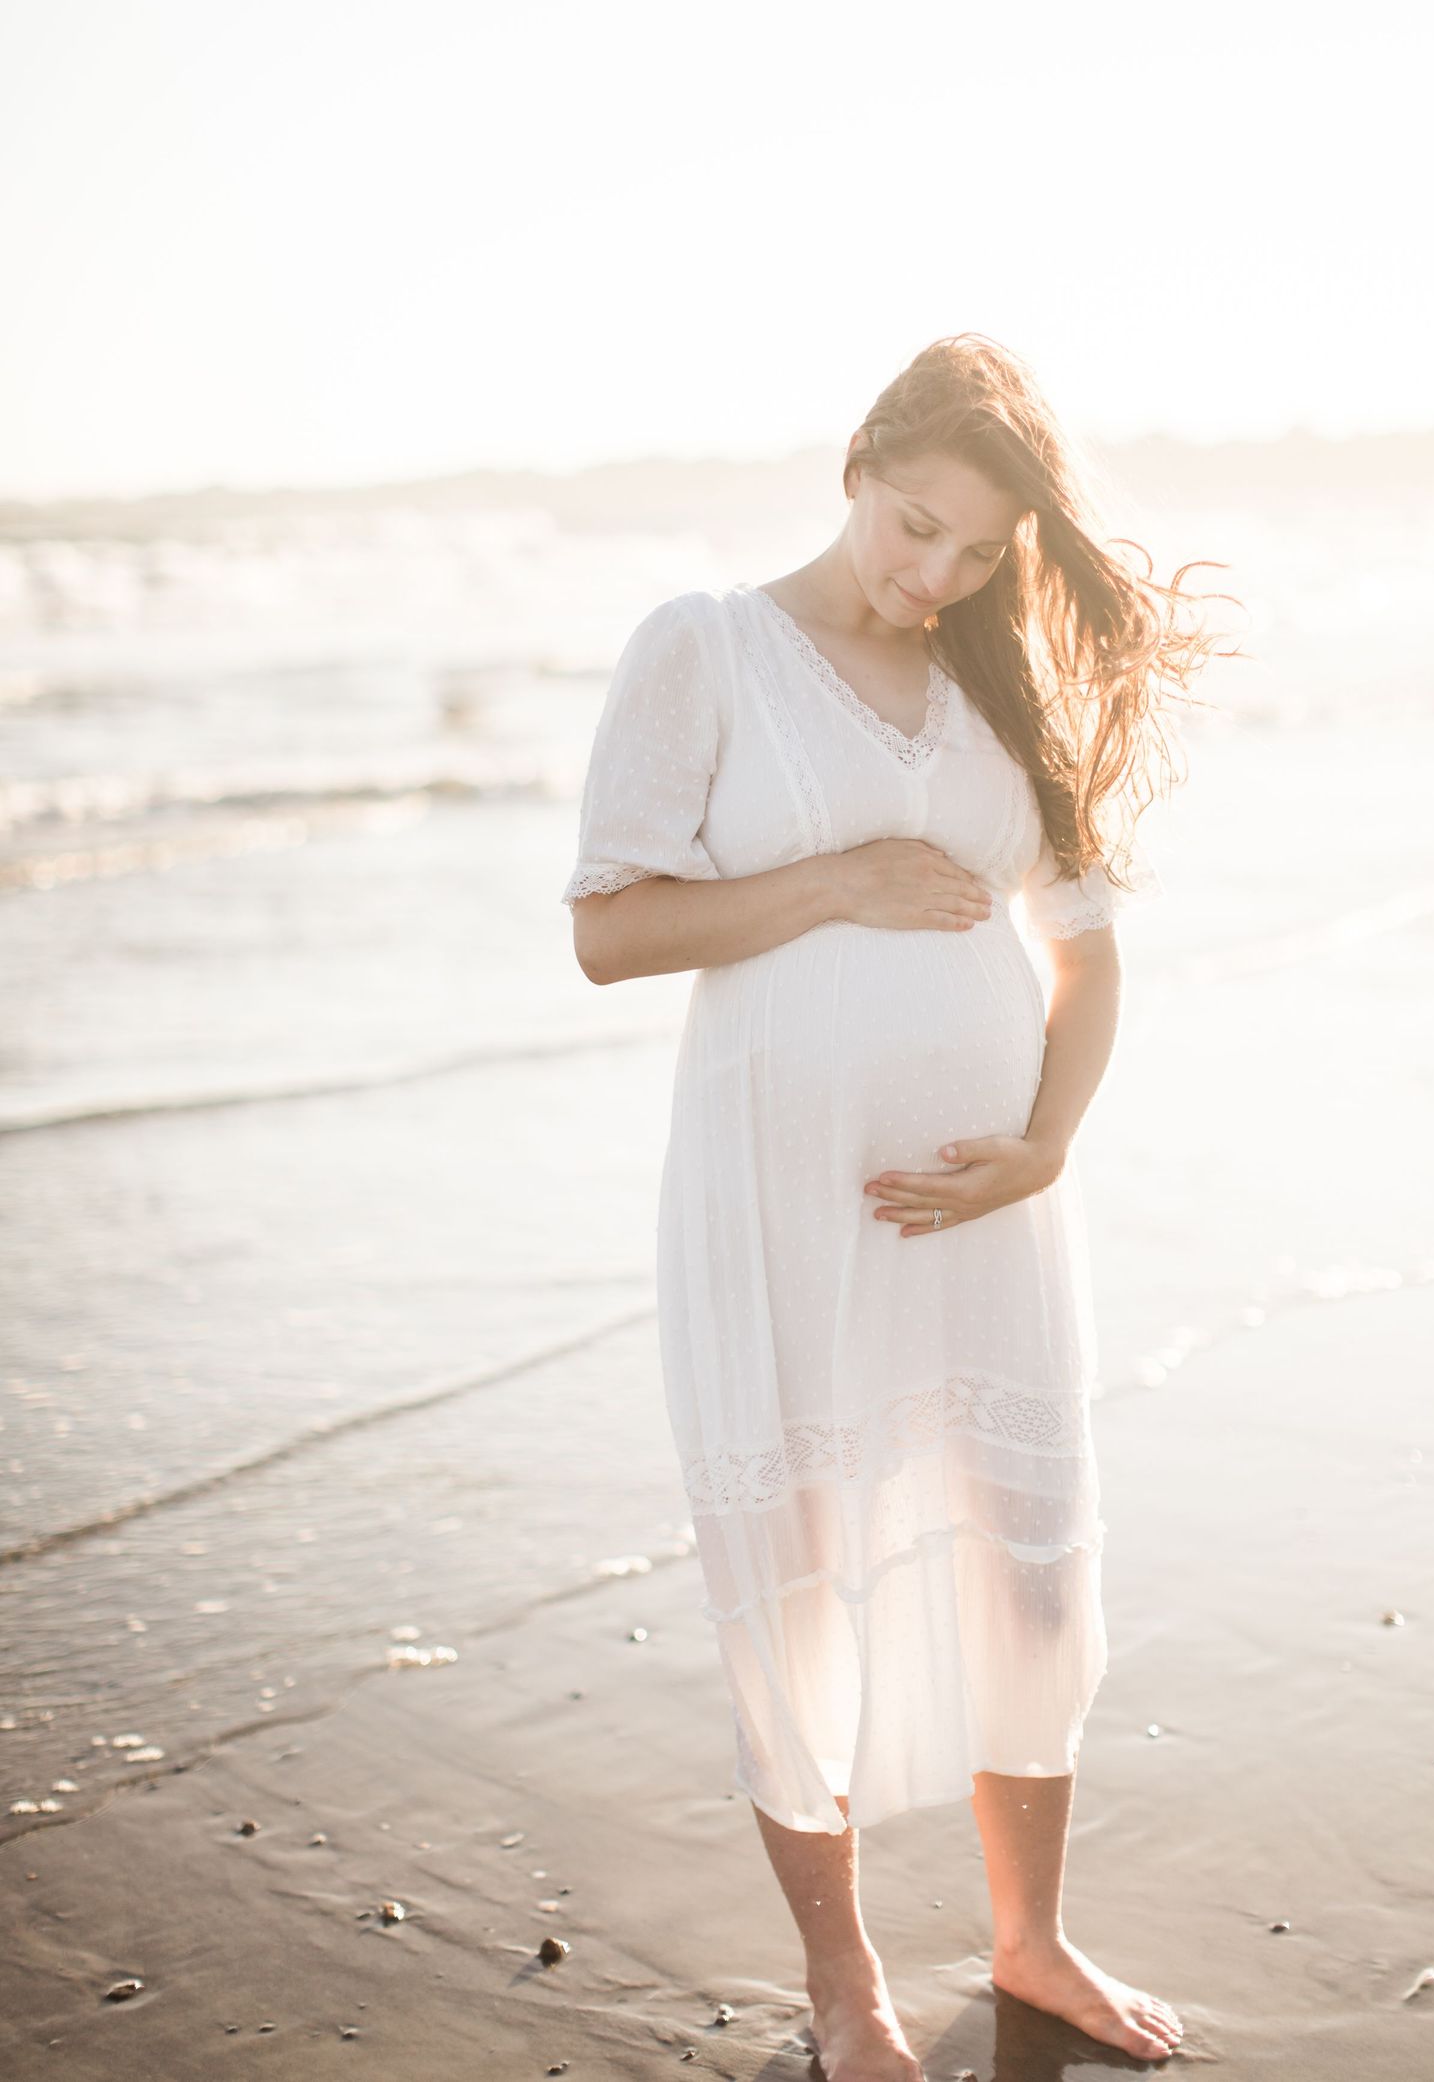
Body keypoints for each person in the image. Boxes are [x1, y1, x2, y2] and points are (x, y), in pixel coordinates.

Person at [562, 334, 1237, 2078]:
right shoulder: (704, 647)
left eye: (973, 552)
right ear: (857, 459)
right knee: (799, 1581)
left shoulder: (999, 684)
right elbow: (611, 928)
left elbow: (1085, 958)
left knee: (1025, 1572)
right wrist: (837, 881)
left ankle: (1031, 1937)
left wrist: (1050, 1141)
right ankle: (845, 1985)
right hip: (783, 1200)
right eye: (912, 523)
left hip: (994, 1205)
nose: (930, 573)